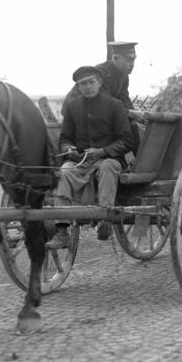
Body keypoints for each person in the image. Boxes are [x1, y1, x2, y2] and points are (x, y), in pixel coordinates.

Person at [46, 66, 133, 247]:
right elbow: (65, 137)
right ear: (78, 86)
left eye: (91, 82)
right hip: (81, 162)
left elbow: (126, 140)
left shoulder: (115, 105)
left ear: (99, 83)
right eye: (82, 84)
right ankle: (62, 231)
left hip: (109, 158)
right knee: (64, 172)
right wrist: (68, 147)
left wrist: (102, 151)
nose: (87, 87)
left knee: (107, 167)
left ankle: (105, 220)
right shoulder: (72, 106)